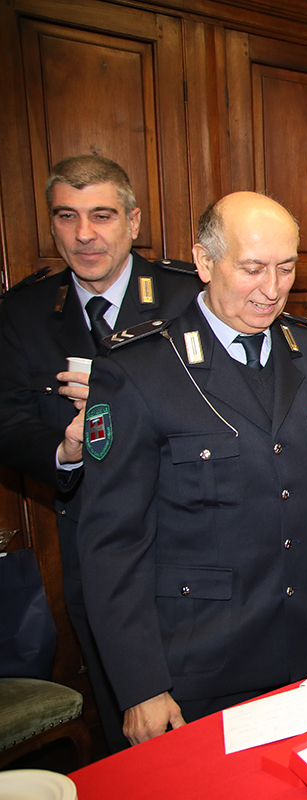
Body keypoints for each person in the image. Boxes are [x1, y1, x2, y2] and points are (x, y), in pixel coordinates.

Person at [76, 192, 307, 744]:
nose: (272, 290)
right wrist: (141, 684)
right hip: (206, 662)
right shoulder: (141, 369)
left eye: (286, 268)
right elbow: (114, 543)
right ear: (203, 261)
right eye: (252, 269)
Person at [0, 154, 200, 753]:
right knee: (130, 726)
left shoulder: (188, 292)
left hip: (193, 534)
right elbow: (8, 422)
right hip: (95, 549)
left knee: (208, 718)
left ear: (133, 221)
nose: (84, 234)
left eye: (102, 216)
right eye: (67, 216)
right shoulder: (23, 312)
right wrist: (62, 447)